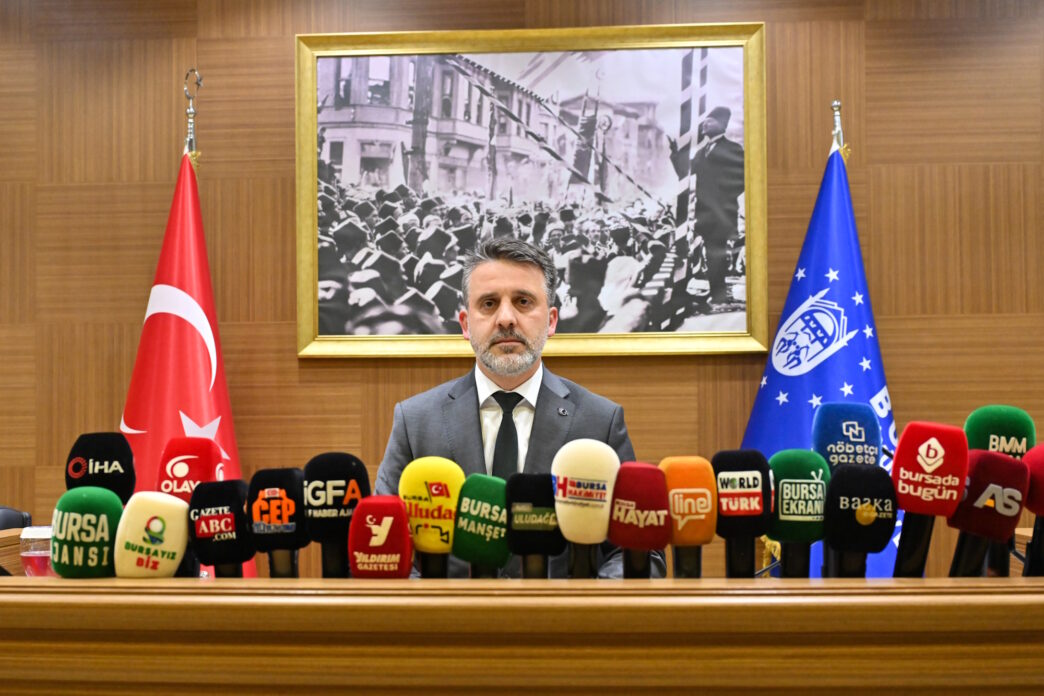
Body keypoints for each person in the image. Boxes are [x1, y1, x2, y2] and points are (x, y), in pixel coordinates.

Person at [375, 237, 664, 578]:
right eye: (489, 304)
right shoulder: (415, 421)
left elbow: (638, 552)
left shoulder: (600, 421)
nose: (506, 318)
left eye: (523, 302)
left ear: (552, 321)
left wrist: (583, 604)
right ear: (465, 324)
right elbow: (384, 547)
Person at [692, 105, 745, 306]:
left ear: (722, 125)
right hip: (704, 212)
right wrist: (675, 155)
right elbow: (686, 172)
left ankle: (718, 294)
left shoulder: (733, 149)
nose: (704, 125)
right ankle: (716, 292)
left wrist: (722, 197)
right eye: (704, 121)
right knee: (710, 252)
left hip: (722, 211)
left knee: (717, 252)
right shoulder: (701, 152)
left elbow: (742, 179)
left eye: (710, 121)